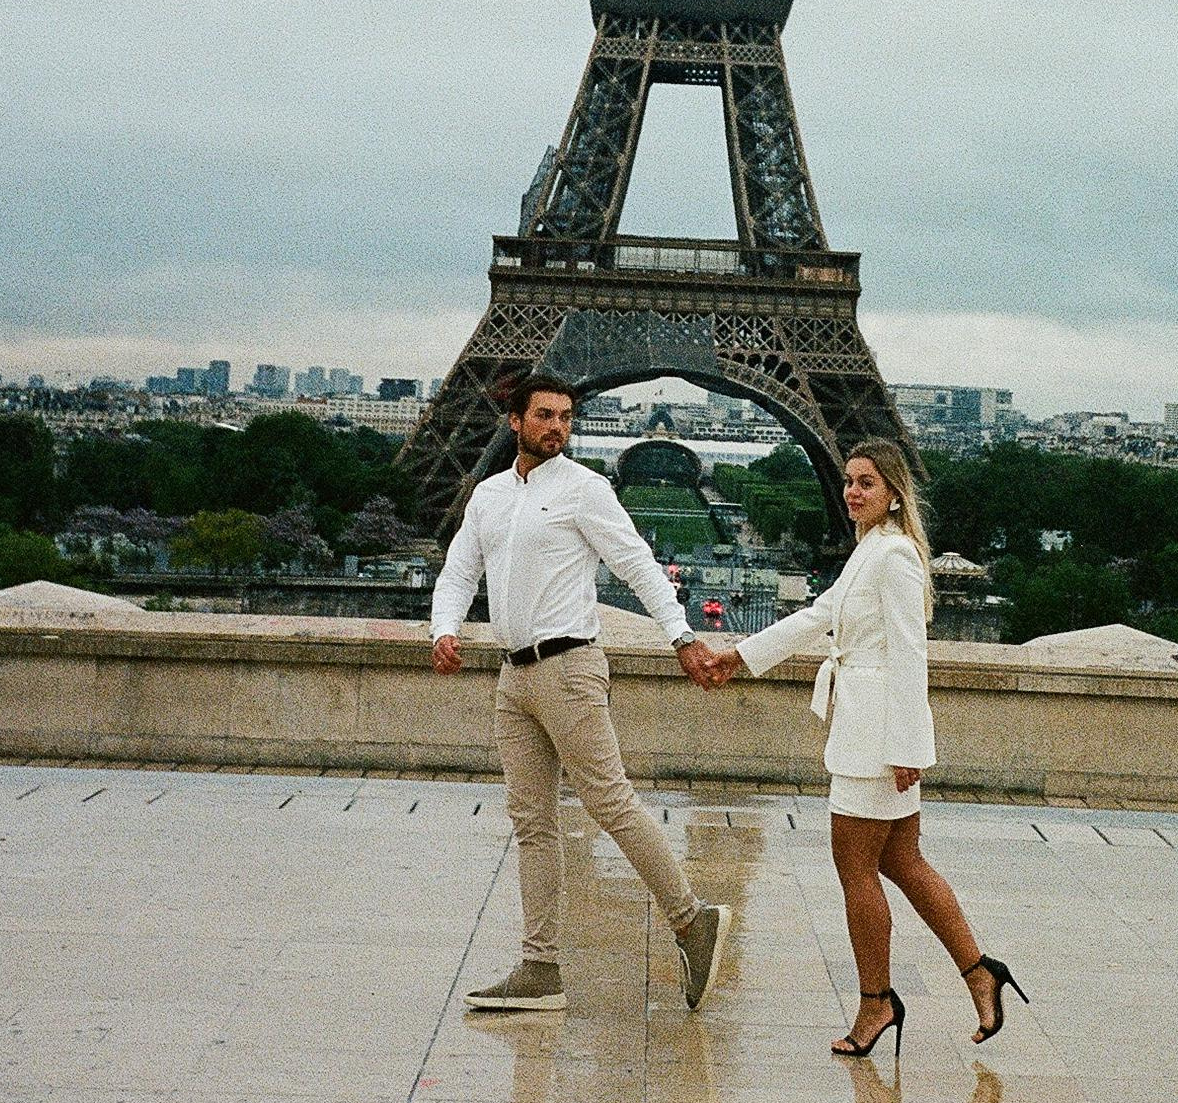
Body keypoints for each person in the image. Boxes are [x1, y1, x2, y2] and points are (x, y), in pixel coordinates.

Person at [706, 442, 1025, 1059]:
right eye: (849, 482)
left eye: (867, 483)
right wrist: (741, 655)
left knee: (856, 870)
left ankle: (877, 1000)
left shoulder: (895, 557)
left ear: (893, 492)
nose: (853, 492)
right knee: (904, 863)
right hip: (872, 728)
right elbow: (818, 617)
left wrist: (908, 746)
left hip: (878, 738)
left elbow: (910, 655)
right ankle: (979, 970)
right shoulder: (871, 551)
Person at [430, 373, 731, 1014]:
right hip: (514, 677)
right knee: (532, 824)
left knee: (610, 803)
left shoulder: (586, 490)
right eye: (544, 415)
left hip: (569, 669)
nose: (557, 427)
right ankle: (540, 967)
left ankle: (688, 917)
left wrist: (681, 636)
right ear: (516, 421)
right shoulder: (487, 496)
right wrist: (444, 630)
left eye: (565, 417)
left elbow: (637, 563)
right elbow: (460, 570)